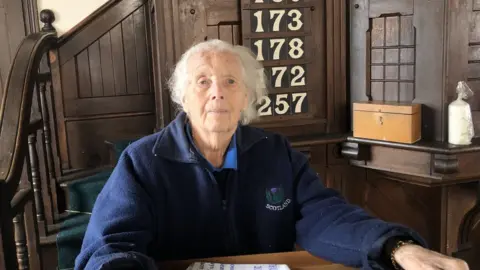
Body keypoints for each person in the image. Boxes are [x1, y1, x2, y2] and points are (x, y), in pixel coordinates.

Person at [75, 39, 469, 270]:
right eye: (203, 81)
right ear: (182, 96)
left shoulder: (274, 153)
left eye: (231, 81)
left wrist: (397, 247)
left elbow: (325, 215)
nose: (218, 91)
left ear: (248, 96)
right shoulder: (143, 162)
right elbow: (110, 244)